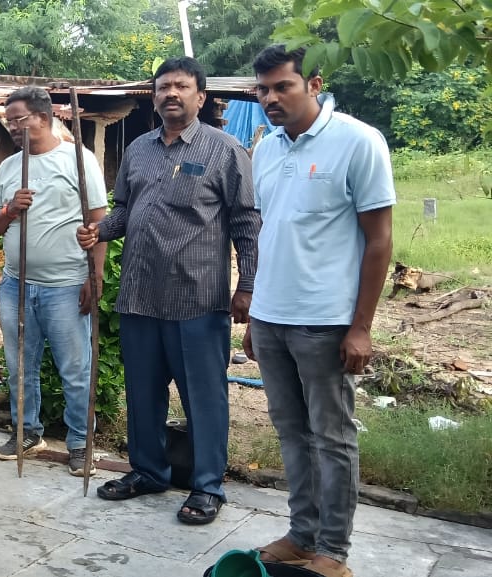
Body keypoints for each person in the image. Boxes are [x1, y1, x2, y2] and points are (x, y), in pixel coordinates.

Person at [76, 57, 261, 524]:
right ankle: (148, 471)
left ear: (201, 96)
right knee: (143, 394)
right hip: (139, 296)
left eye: (181, 86)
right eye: (163, 87)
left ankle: (207, 486)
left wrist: (247, 286)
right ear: (154, 97)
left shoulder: (225, 150)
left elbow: (246, 223)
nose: (170, 94)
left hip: (196, 299)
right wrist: (99, 230)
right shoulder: (139, 149)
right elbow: (124, 210)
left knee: (204, 397)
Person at [244, 45, 395, 577]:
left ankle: (333, 551)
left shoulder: (358, 141)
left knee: (332, 438)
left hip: (326, 321)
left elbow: (379, 240)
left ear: (314, 84)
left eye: (282, 86)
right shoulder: (264, 148)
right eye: (262, 89)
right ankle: (301, 535)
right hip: (271, 318)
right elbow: (271, 232)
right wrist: (257, 312)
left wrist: (361, 327)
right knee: (291, 433)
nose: (270, 98)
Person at [0, 86, 107, 474]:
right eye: (8, 121)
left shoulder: (78, 160)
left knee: (75, 369)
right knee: (20, 366)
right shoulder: (9, 167)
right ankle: (27, 432)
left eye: (19, 119)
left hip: (66, 285)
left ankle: (80, 444)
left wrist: (95, 275)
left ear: (44, 117)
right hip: (15, 284)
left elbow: (98, 221)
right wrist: (10, 210)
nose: (13, 127)